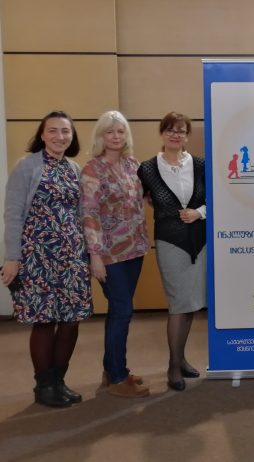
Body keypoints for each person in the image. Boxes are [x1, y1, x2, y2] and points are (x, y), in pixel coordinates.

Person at [1, 111, 92, 408]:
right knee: (44, 320)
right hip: (37, 256)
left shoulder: (74, 168)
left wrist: (89, 254)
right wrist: (12, 258)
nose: (59, 136)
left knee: (71, 321)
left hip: (72, 257)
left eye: (65, 131)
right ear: (42, 135)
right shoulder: (26, 166)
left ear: (71, 136)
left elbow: (81, 214)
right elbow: (13, 214)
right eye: (52, 130)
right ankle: (43, 386)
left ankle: (59, 381)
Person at [80, 110, 150, 398]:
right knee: (122, 311)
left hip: (135, 249)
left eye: (120, 131)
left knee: (119, 311)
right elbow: (89, 214)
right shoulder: (92, 170)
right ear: (101, 136)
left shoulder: (133, 164)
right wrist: (95, 256)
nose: (116, 136)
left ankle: (113, 369)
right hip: (108, 255)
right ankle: (118, 378)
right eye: (110, 132)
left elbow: (142, 199)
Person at [138, 112, 206, 391]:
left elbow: (216, 198)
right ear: (162, 133)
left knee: (190, 303)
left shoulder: (200, 165)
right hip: (169, 242)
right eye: (170, 130)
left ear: (187, 136)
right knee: (179, 303)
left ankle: (181, 358)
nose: (175, 135)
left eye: (181, 131)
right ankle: (173, 366)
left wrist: (199, 212)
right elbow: (143, 198)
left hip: (200, 241)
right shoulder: (147, 168)